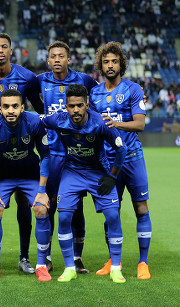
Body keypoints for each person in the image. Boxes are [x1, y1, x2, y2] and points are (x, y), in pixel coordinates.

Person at [0, 32, 43, 274]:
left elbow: (39, 107)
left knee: (25, 201)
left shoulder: (27, 77)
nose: (1, 51)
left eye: (5, 47)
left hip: (21, 144)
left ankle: (24, 257)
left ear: (11, 51)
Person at [42, 84, 127, 283]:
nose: (76, 110)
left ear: (87, 105)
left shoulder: (101, 123)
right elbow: (36, 119)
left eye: (80, 105)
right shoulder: (59, 120)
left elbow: (121, 150)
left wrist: (112, 177)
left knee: (113, 216)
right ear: (67, 107)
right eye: (72, 106)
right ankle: (69, 267)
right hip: (72, 172)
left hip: (99, 172)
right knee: (63, 217)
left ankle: (115, 268)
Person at [90, 41, 152, 280]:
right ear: (100, 65)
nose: (110, 65)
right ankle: (112, 260)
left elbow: (140, 124)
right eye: (106, 62)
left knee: (141, 208)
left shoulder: (133, 89)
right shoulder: (94, 93)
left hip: (133, 158)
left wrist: (115, 123)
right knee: (111, 212)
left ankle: (143, 262)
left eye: (114, 61)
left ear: (121, 64)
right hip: (108, 161)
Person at [36, 41, 99, 273]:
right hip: (52, 154)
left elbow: (99, 97)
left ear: (68, 59)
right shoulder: (40, 80)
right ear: (48, 60)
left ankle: (77, 257)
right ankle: (48, 255)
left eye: (61, 56)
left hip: (76, 153)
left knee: (76, 207)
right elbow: (29, 97)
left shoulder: (84, 80)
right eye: (53, 56)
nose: (57, 60)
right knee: (50, 205)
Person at [0, 89, 52, 282]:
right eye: (5, 106)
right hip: (3, 175)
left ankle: (42, 265)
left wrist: (43, 191)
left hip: (29, 174)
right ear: (0, 108)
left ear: (22, 107)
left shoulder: (34, 122)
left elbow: (45, 155)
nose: (10, 110)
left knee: (41, 208)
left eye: (14, 106)